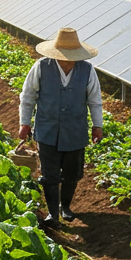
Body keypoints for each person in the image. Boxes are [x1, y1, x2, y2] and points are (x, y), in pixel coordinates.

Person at [17, 26, 103, 227]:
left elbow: (94, 100)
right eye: (65, 57)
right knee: (50, 175)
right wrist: (24, 123)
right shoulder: (41, 67)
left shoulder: (87, 70)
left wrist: (97, 126)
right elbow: (28, 96)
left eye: (73, 57)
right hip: (47, 129)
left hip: (75, 130)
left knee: (72, 174)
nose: (69, 61)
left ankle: (66, 207)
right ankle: (53, 214)